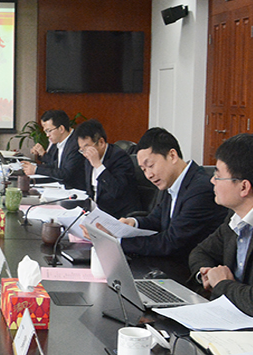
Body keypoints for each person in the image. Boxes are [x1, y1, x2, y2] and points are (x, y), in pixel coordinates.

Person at [91, 128, 227, 260]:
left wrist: (117, 242)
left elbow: (172, 242)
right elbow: (156, 220)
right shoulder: (171, 183)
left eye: (150, 165)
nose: (148, 175)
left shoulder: (200, 189)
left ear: (172, 156)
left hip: (189, 266)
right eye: (144, 169)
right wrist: (133, 223)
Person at [189, 133, 253, 316]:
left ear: (243, 187)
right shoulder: (235, 218)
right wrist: (207, 274)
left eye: (218, 175)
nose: (212, 181)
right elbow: (201, 252)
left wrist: (221, 284)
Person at [75, 119, 140, 218]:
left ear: (101, 142)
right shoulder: (89, 159)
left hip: (119, 215)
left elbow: (117, 191)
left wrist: (98, 165)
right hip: (97, 213)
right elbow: (91, 191)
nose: (85, 154)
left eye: (87, 148)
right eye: (82, 150)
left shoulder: (120, 157)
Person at [20, 109, 85, 190]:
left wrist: (36, 169)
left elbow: (66, 174)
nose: (47, 135)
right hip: (61, 186)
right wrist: (33, 166)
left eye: (49, 131)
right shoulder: (58, 141)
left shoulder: (77, 143)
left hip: (74, 190)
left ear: (61, 129)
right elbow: (53, 165)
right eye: (45, 131)